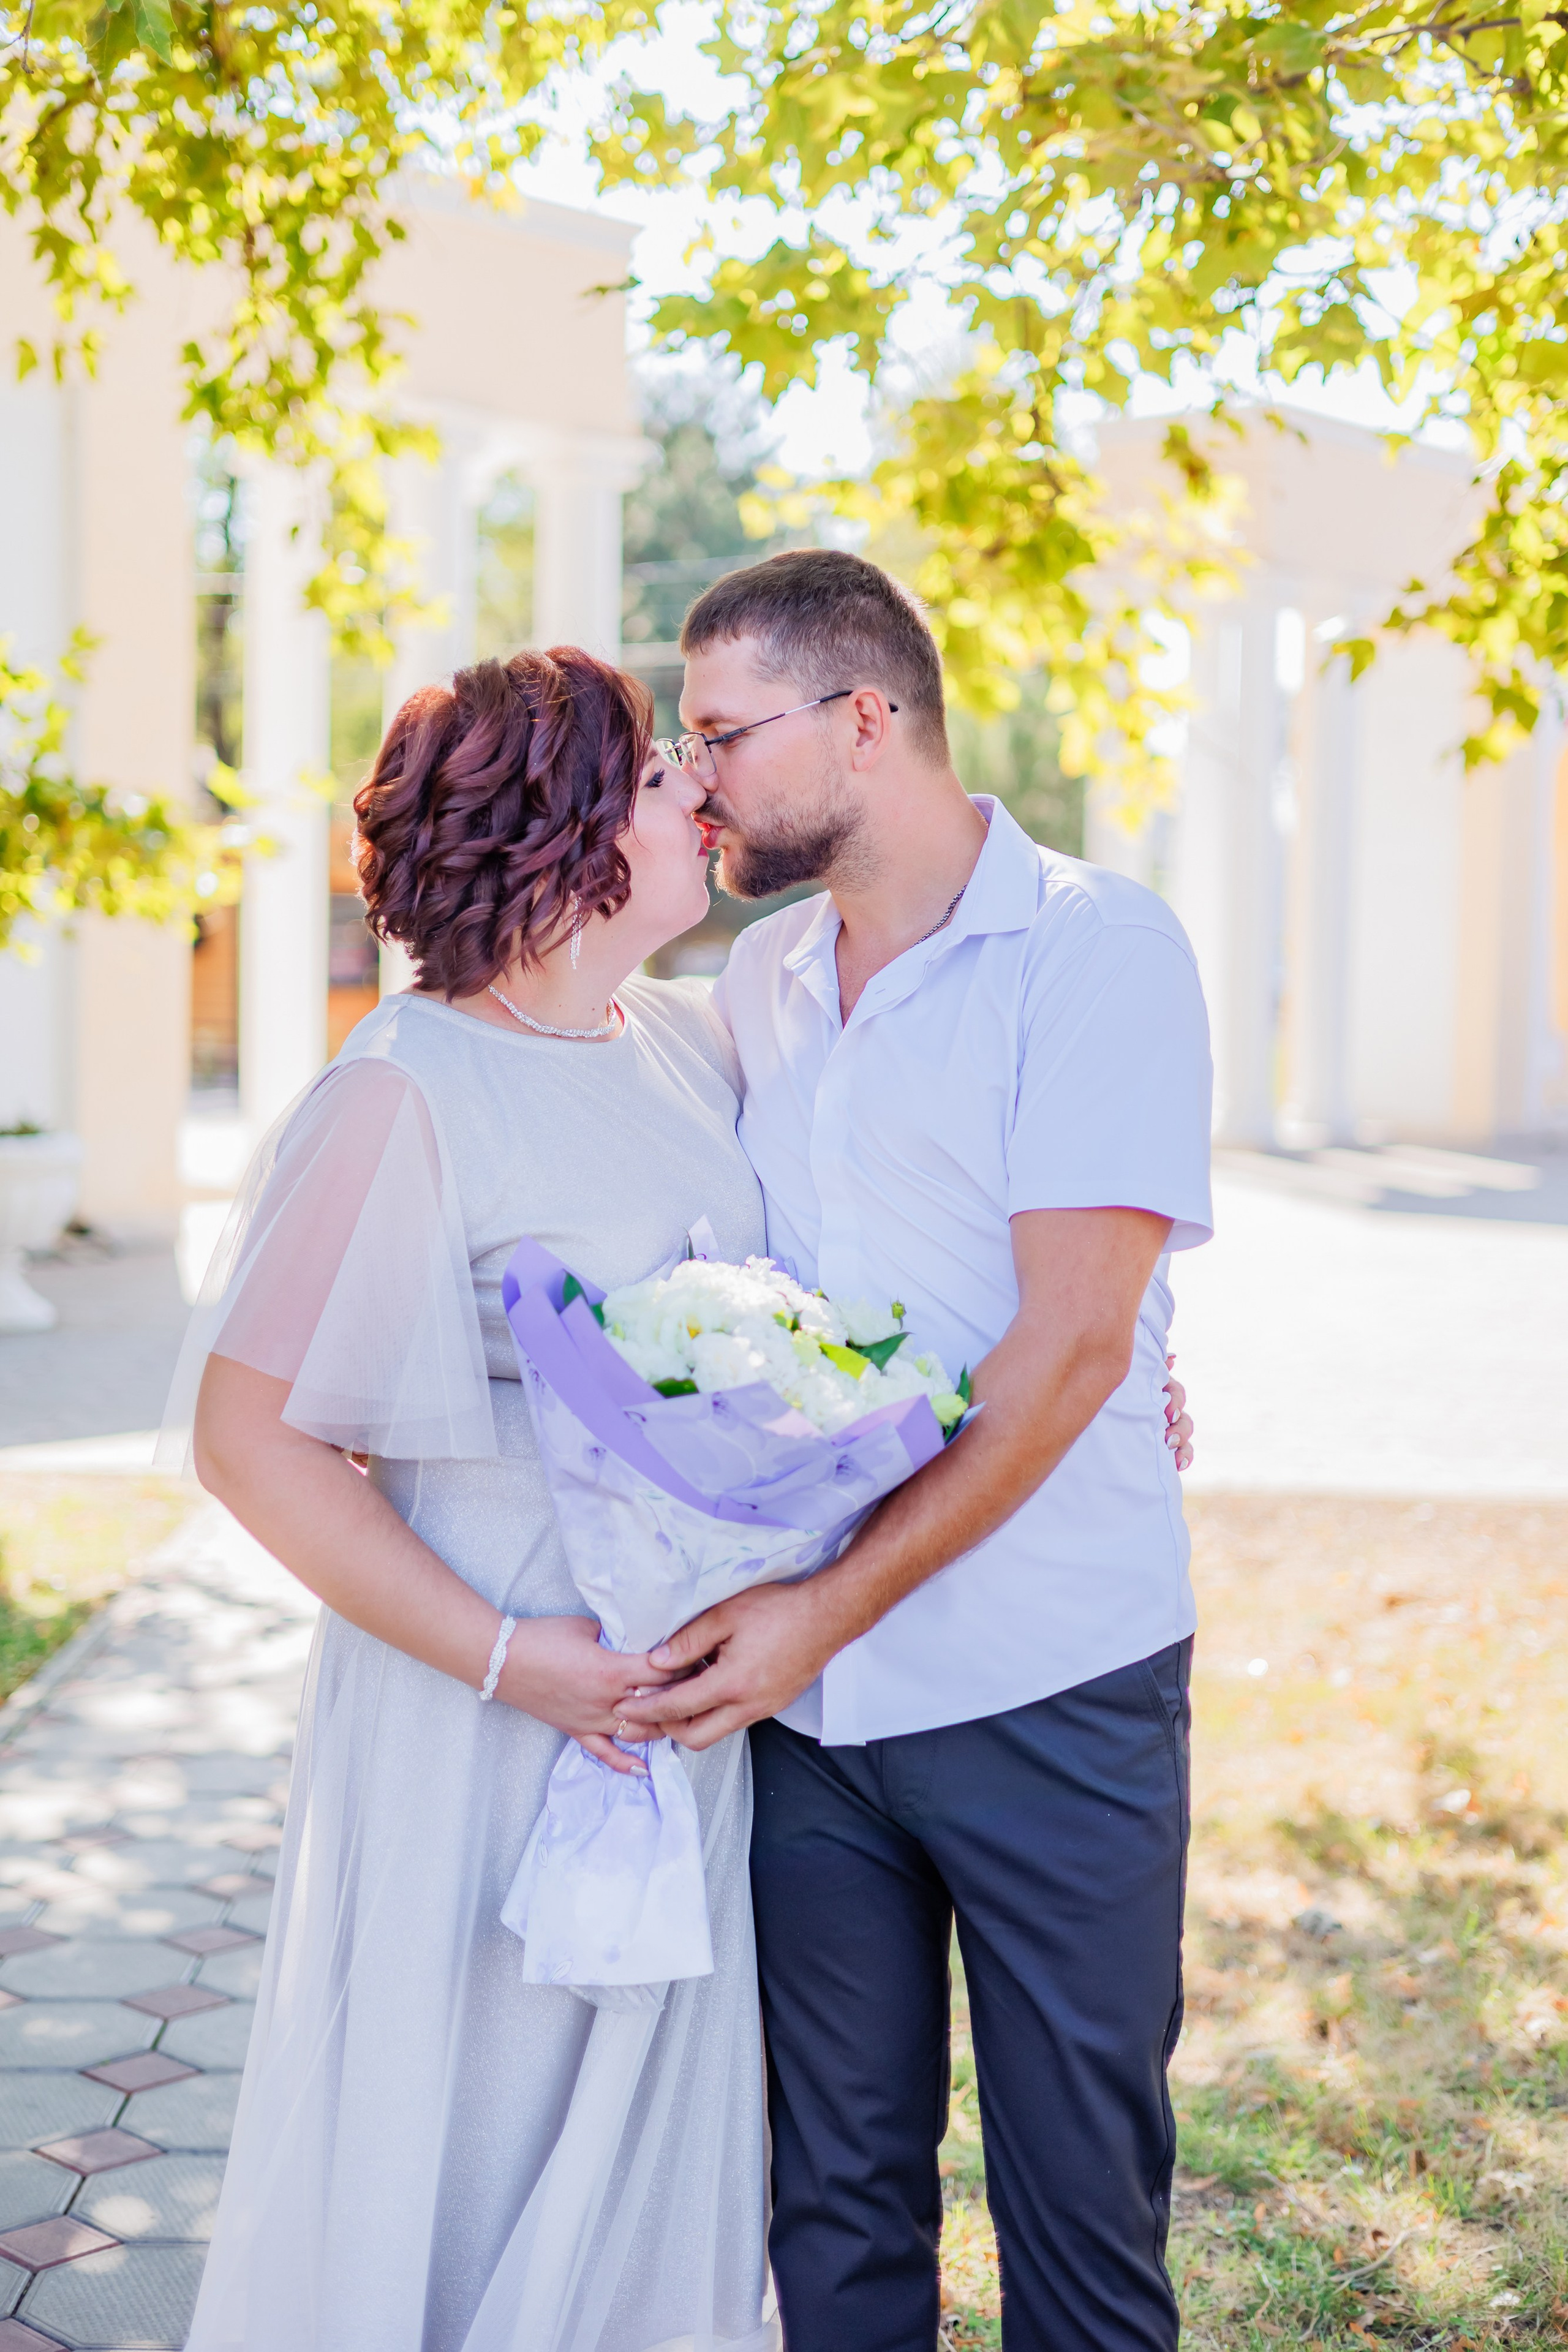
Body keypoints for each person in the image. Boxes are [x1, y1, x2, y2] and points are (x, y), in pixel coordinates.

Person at [617, 549, 1213, 2352]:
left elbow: (1072, 1343)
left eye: (721, 734)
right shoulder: (763, 979)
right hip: (812, 1734)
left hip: (1054, 1687)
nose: (696, 774)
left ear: (867, 720)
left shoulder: (1098, 946)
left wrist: (816, 1613)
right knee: (836, 2215)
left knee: (1081, 2231)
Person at [167, 648, 780, 2352]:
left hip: (673, 1698)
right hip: (485, 1705)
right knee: (477, 2121)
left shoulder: (679, 1050)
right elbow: (251, 1435)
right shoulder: (405, 1089)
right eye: (659, 773)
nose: (699, 793)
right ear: (567, 827)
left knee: (641, 2131)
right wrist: (521, 1660)